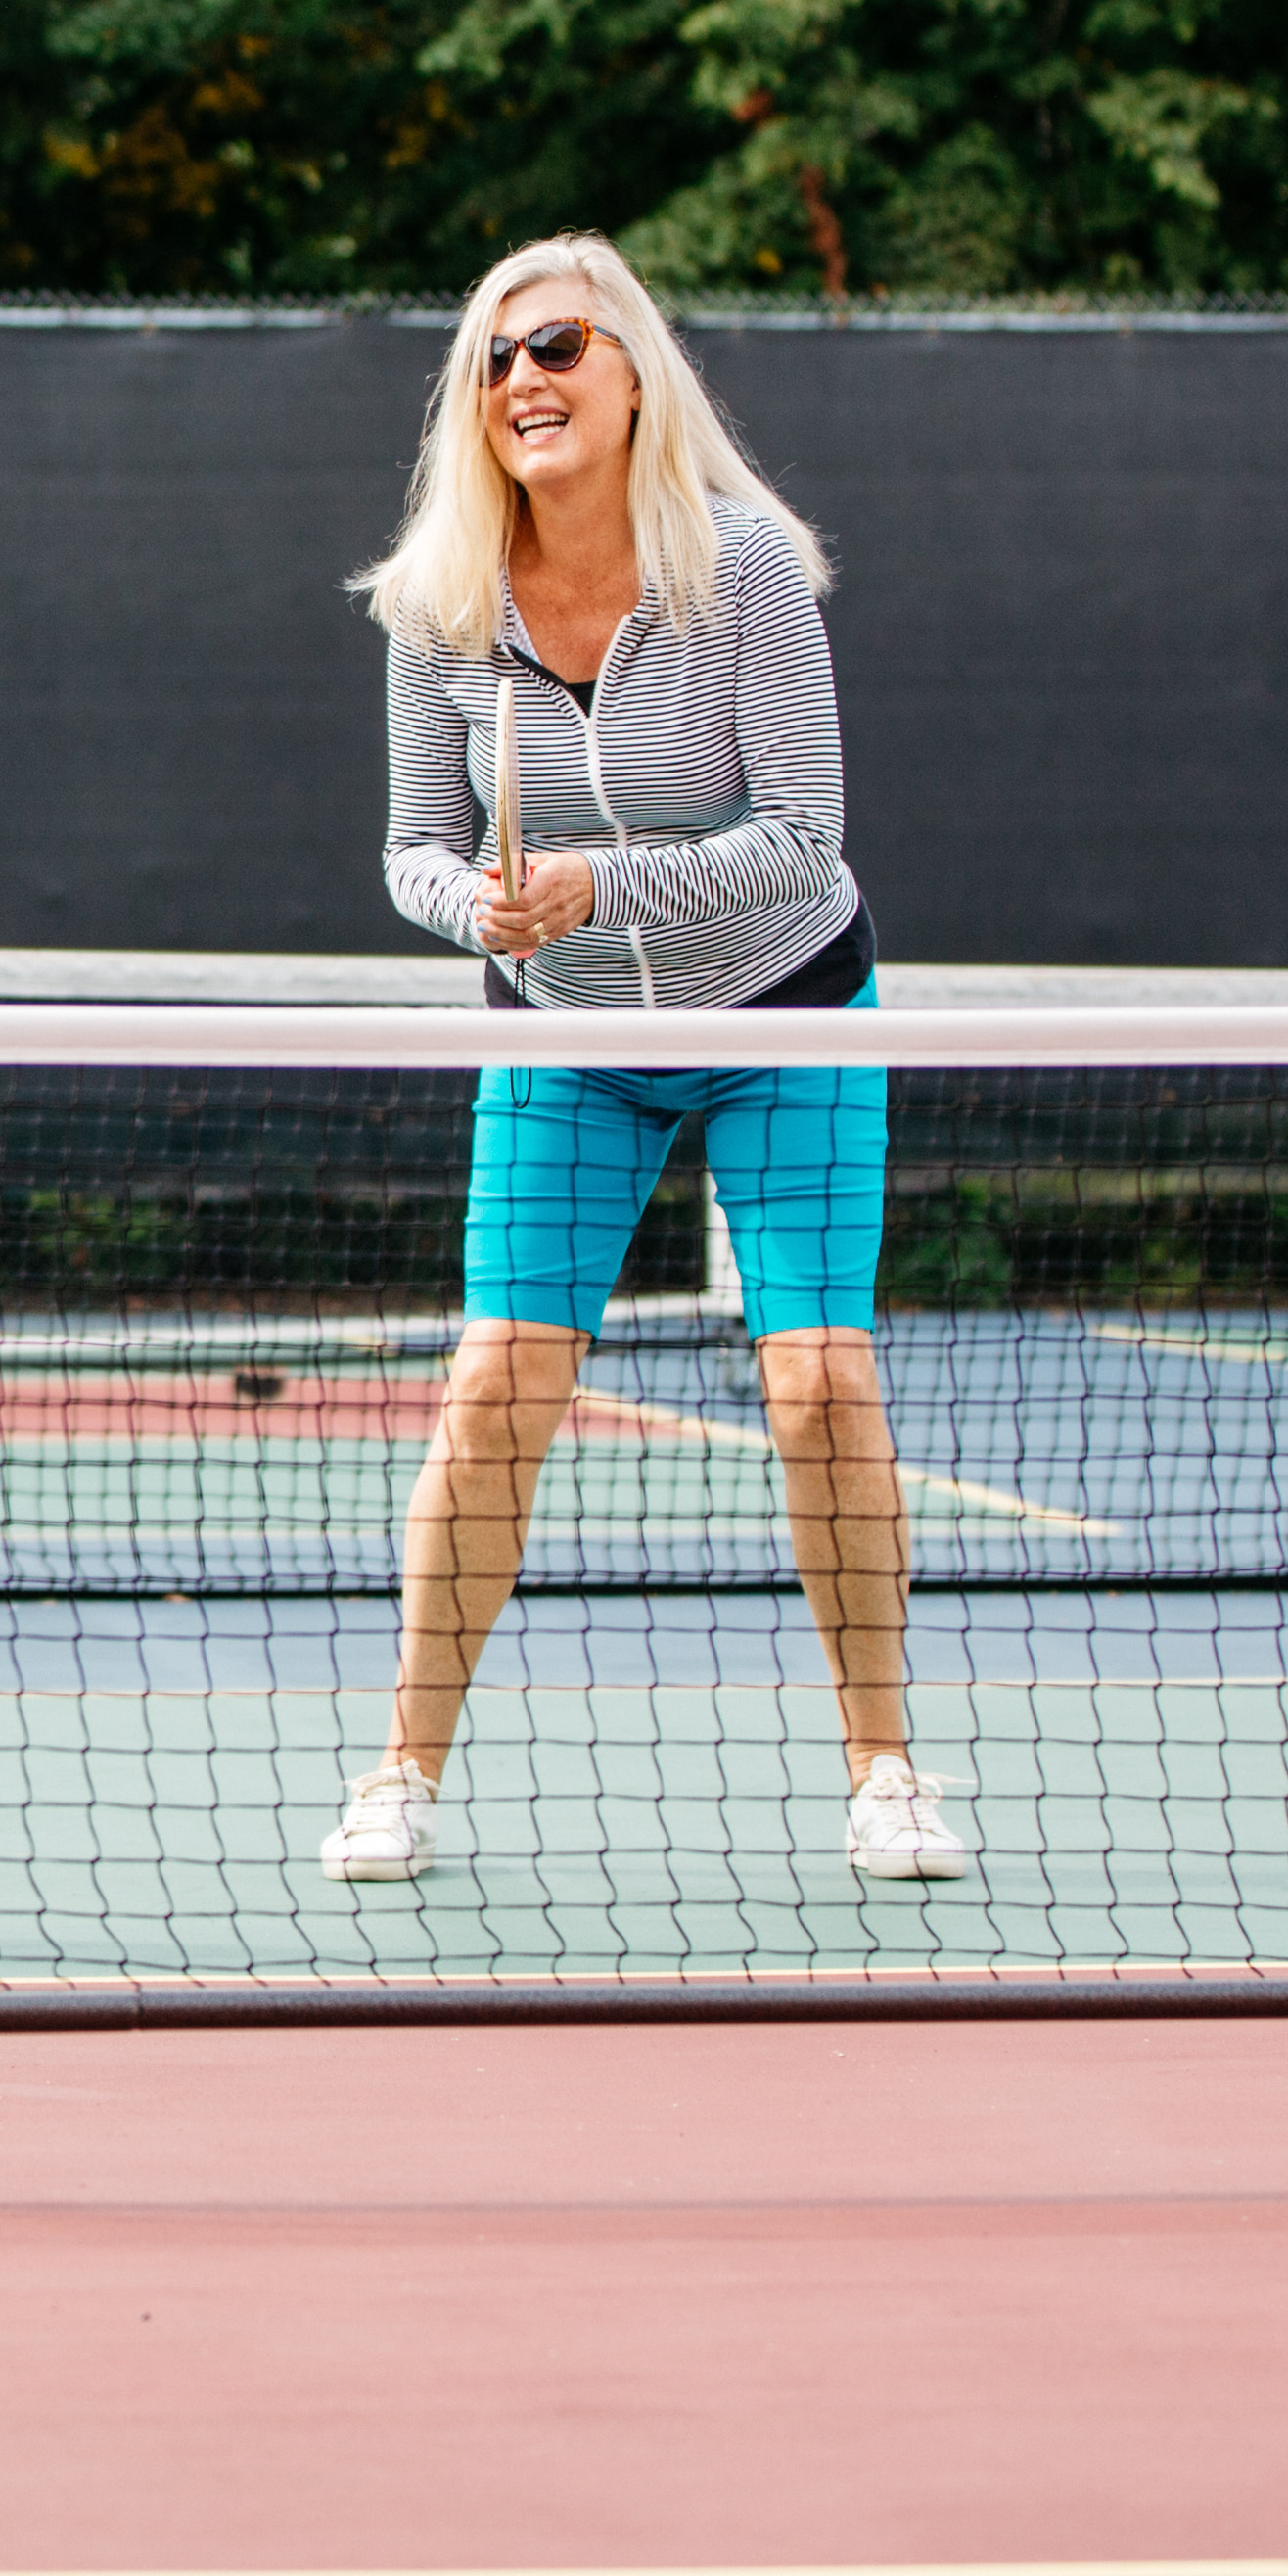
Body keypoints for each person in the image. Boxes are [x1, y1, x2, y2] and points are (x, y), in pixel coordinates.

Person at [325, 234, 964, 1891]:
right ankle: (401, 1769)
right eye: (494, 360)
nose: (523, 380)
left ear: (630, 373)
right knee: (494, 1393)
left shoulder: (741, 567)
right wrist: (477, 908)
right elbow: (410, 843)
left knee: (820, 1381)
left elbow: (806, 834)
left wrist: (606, 882)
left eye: (555, 347)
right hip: (573, 1037)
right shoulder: (440, 601)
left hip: (785, 1011)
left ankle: (887, 1766)